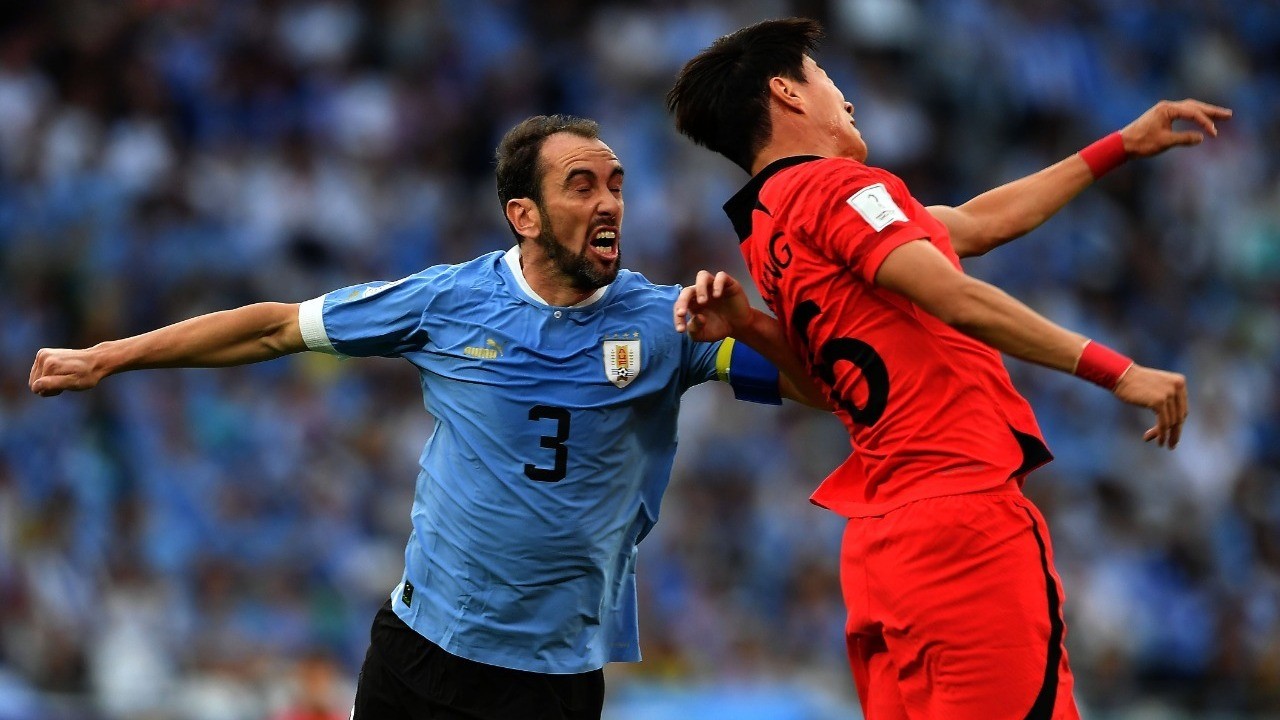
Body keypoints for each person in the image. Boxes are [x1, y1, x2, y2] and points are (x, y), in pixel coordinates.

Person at [28, 114, 821, 720]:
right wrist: (109, 357)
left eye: (615, 183)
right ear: (526, 214)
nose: (609, 200)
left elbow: (822, 391)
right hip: (420, 656)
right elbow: (275, 326)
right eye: (582, 184)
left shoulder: (666, 322)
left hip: (556, 680)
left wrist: (749, 326)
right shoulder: (448, 302)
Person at [666, 18, 1232, 720]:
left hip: (884, 545)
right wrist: (1117, 371)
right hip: (961, 522)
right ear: (787, 92)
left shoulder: (769, 230)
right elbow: (954, 295)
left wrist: (1119, 146)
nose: (845, 96)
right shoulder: (836, 190)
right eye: (825, 76)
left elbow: (971, 227)